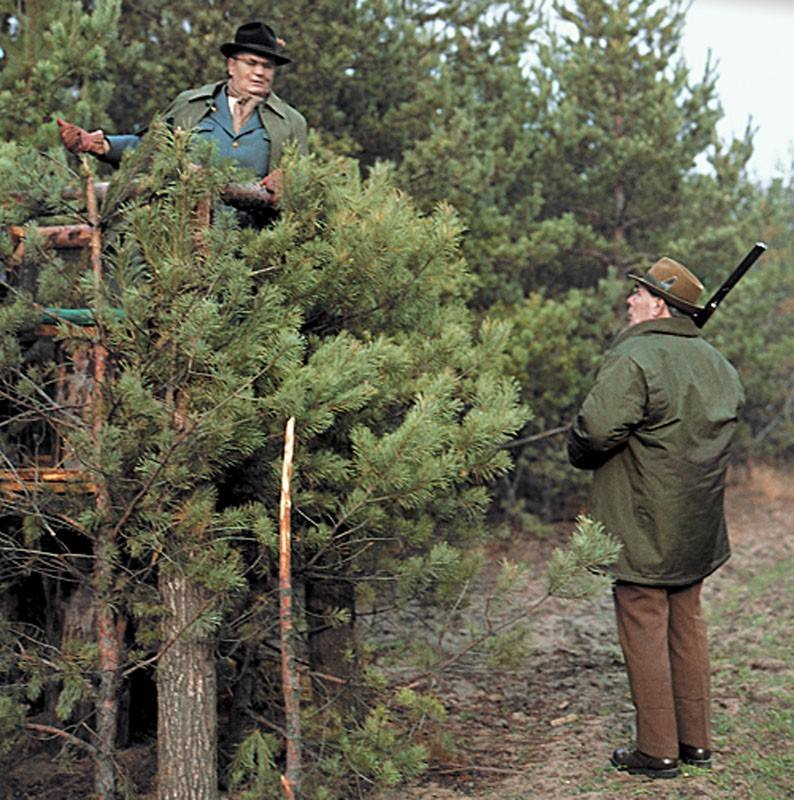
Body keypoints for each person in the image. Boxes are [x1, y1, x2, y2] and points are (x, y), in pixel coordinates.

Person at [567, 257, 744, 779]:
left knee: (645, 628)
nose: (630, 301)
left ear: (661, 305)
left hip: (642, 523)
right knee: (686, 626)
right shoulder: (717, 362)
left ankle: (657, 750)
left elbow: (596, 431)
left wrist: (577, 450)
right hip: (696, 526)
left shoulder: (636, 356)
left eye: (639, 294)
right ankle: (697, 744)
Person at [57, 21, 308, 204]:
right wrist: (99, 145)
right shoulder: (191, 104)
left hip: (252, 242)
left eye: (267, 66)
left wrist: (290, 180)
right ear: (231, 65)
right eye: (251, 63)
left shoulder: (290, 122)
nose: (259, 73)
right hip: (183, 232)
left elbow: (304, 178)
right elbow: (150, 149)